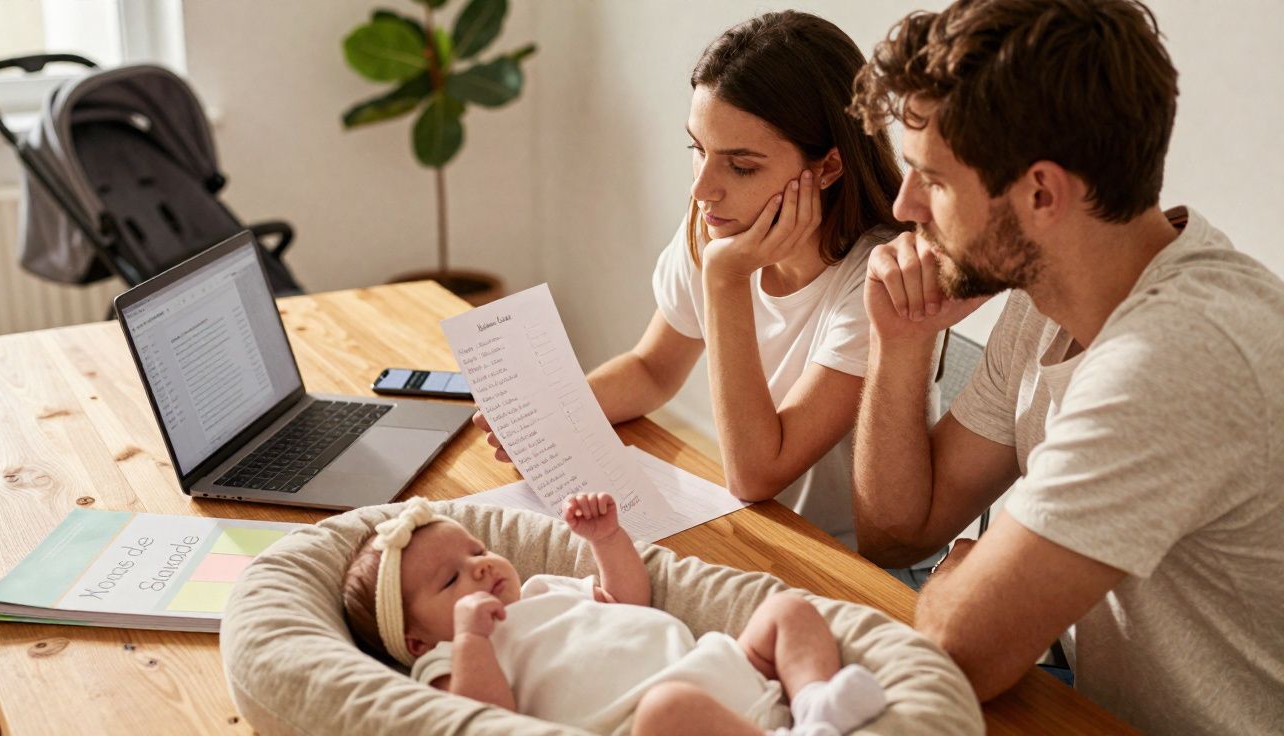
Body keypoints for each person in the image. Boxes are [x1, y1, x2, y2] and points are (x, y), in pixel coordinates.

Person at [846, 0, 1284, 733]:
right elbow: (900, 532)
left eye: (933, 180)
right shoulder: (1047, 301)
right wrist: (902, 341)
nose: (904, 205)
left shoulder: (1179, 355)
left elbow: (960, 645)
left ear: (1041, 194)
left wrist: (968, 581)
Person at [476, 11, 929, 559]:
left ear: (828, 167)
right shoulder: (721, 224)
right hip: (756, 532)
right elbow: (652, 369)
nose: (702, 190)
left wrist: (725, 278)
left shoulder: (879, 275)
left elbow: (757, 474)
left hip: (844, 561)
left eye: (741, 166)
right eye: (697, 149)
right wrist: (555, 419)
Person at [341, 496, 887, 736]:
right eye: (450, 580)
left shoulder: (543, 587)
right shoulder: (448, 660)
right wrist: (470, 639)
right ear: (416, 641)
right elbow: (484, 719)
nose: (480, 568)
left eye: (477, 551)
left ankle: (815, 703)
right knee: (668, 707)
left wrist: (607, 541)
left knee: (787, 609)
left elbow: (628, 601)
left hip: (728, 666)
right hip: (658, 722)